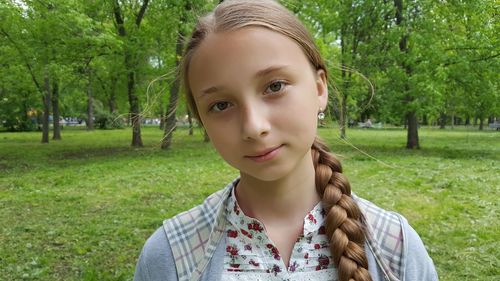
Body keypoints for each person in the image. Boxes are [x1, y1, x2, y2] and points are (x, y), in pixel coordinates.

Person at [134, 1, 438, 280]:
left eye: (274, 86)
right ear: (203, 121)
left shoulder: (394, 248)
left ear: (319, 88)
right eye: (221, 105)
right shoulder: (169, 257)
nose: (254, 126)